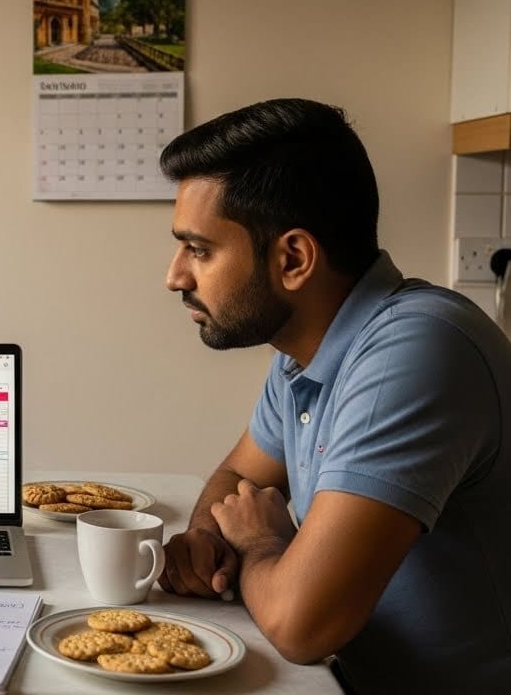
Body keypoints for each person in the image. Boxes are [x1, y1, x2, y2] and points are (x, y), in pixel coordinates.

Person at [156, 97, 511, 692]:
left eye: (199, 249)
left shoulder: (417, 353)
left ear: (293, 257)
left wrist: (261, 542)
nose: (175, 276)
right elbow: (236, 484)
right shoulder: (307, 348)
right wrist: (207, 543)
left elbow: (303, 626)